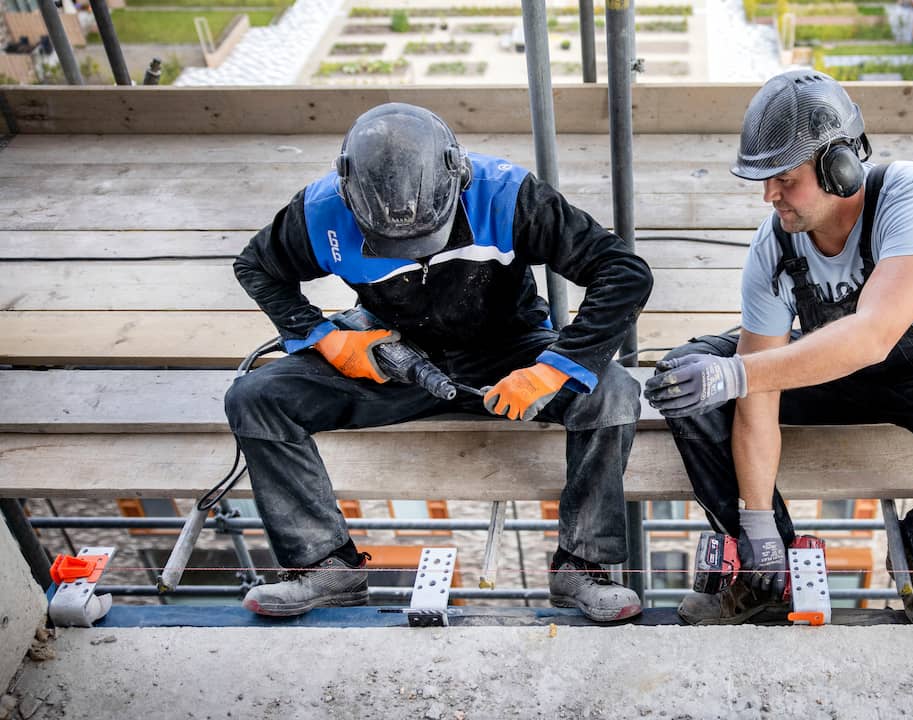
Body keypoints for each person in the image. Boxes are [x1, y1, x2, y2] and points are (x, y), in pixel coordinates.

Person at [645, 70, 913, 625]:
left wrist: (736, 374)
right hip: (824, 366)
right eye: (764, 181)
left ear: (839, 167)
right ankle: (767, 570)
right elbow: (759, 388)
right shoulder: (774, 244)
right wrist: (757, 516)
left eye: (784, 178)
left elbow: (875, 332)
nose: (769, 196)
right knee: (686, 377)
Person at [225, 103, 653, 622]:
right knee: (255, 398)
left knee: (613, 391)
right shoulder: (319, 212)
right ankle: (323, 565)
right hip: (398, 361)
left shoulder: (507, 194)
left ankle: (582, 567)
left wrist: (554, 368)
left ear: (459, 175)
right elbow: (256, 267)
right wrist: (325, 339)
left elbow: (623, 271)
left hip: (509, 354)